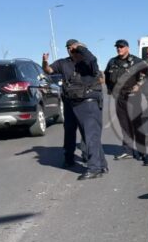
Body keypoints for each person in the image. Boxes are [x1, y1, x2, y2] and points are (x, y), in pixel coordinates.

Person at [42, 39, 108, 180]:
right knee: (77, 132)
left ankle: (95, 168)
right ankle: (100, 164)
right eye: (68, 47)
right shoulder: (63, 63)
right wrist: (45, 63)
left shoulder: (88, 61)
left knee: (91, 135)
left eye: (73, 47)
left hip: (88, 102)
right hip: (71, 102)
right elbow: (48, 70)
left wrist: (80, 48)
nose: (70, 49)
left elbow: (93, 60)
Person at [104, 39, 146, 160]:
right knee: (124, 124)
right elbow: (107, 76)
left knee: (137, 123)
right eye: (117, 47)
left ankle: (142, 150)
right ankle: (128, 150)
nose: (119, 49)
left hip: (133, 96)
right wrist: (109, 89)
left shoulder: (136, 61)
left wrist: (138, 85)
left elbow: (146, 75)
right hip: (119, 97)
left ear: (127, 48)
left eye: (121, 47)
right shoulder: (112, 62)